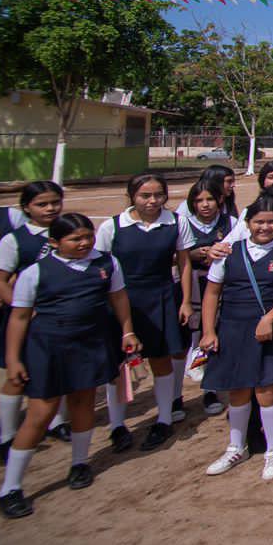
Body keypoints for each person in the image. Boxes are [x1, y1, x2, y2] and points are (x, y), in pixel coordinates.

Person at [0, 213, 140, 518]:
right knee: (40, 413)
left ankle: (79, 462)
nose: (84, 243)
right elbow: (19, 318)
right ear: (54, 242)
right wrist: (13, 358)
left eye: (87, 236)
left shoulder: (106, 264)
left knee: (83, 402)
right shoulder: (35, 273)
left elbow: (119, 298)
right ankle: (10, 487)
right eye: (75, 239)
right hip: (49, 347)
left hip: (91, 342)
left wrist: (127, 330)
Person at [200, 196, 273, 480]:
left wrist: (269, 318)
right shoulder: (229, 252)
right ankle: (236, 446)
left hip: (269, 330)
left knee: (268, 390)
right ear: (247, 223)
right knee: (238, 389)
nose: (265, 227)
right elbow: (212, 293)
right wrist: (208, 331)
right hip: (233, 327)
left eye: (272, 222)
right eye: (259, 222)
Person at [96, 172, 192, 452]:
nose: (152, 201)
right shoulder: (112, 227)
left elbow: (184, 263)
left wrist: (185, 300)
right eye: (145, 195)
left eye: (158, 195)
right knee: (119, 366)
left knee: (160, 360)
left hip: (160, 296)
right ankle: (117, 426)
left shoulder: (176, 222)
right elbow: (101, 269)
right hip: (121, 300)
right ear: (131, 197)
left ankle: (163, 419)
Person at [0, 181, 64, 457]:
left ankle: (56, 421)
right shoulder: (15, 239)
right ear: (26, 208)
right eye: (42, 204)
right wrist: (25, 308)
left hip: (61, 316)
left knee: (59, 369)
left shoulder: (69, 232)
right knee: (17, 375)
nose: (50, 208)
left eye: (55, 202)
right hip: (26, 318)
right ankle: (7, 435)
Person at [179, 175, 234, 418]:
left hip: (220, 287)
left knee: (213, 333)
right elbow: (176, 257)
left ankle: (210, 389)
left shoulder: (230, 222)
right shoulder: (182, 223)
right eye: (199, 200)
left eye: (210, 199)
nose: (205, 204)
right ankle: (175, 397)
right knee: (189, 335)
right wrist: (194, 254)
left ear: (220, 200)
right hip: (191, 285)